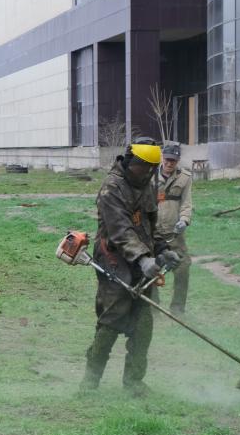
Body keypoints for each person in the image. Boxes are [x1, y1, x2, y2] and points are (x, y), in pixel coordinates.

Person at [80, 138, 181, 396]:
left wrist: (162, 250)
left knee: (143, 324)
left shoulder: (146, 185)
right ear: (130, 162)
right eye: (143, 167)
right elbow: (120, 231)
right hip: (113, 260)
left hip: (143, 261)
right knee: (112, 320)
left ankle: (134, 383)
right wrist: (143, 259)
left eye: (151, 169)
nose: (147, 173)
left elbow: (150, 227)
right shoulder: (111, 189)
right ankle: (89, 383)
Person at [156, 143, 194, 315]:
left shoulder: (185, 178)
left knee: (183, 267)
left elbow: (187, 203)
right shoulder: (150, 176)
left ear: (178, 161)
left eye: (173, 160)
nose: (169, 163)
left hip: (175, 233)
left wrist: (184, 220)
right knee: (151, 267)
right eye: (167, 159)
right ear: (162, 158)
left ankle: (178, 308)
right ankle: (152, 306)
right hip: (154, 232)